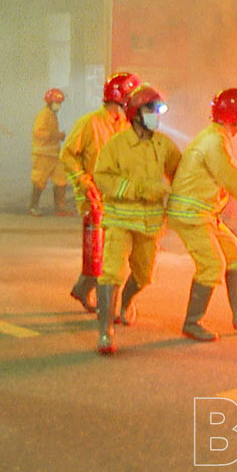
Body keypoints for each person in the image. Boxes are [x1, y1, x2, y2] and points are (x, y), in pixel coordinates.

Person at [168, 88, 237, 341]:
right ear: (236, 118)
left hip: (204, 214)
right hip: (190, 215)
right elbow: (234, 179)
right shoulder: (215, 142)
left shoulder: (215, 137)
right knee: (212, 264)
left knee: (234, 253)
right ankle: (192, 323)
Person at [92, 83, 181, 354]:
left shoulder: (164, 145)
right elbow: (103, 176)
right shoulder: (117, 145)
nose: (155, 114)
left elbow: (180, 172)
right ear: (135, 112)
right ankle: (105, 333)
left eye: (158, 110)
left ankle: (126, 303)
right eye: (150, 109)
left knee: (144, 276)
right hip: (120, 221)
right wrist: (137, 190)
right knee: (112, 273)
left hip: (151, 224)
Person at [60, 71, 140, 312]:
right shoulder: (90, 123)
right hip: (94, 198)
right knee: (109, 254)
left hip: (120, 199)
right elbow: (68, 155)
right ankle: (112, 310)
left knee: (111, 253)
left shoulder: (128, 126)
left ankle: (85, 289)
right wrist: (84, 183)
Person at [28, 88, 72, 217]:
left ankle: (60, 207)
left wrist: (57, 136)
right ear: (49, 101)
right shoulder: (43, 115)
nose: (58, 105)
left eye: (59, 102)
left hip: (53, 155)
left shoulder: (51, 114)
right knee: (39, 181)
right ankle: (33, 206)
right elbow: (38, 132)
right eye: (56, 102)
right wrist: (56, 135)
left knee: (61, 179)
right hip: (42, 155)